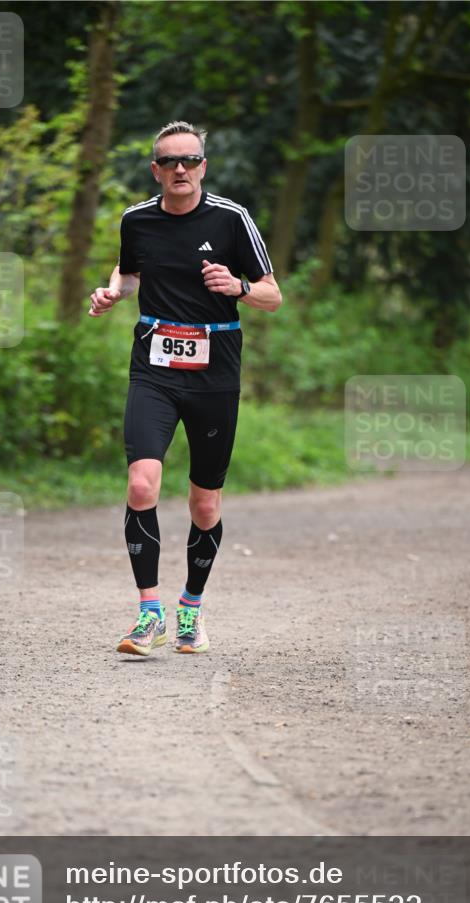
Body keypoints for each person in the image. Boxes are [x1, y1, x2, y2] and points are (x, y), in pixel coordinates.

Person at [89, 120, 281, 656]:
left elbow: (273, 295)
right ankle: (149, 612)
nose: (180, 169)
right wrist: (112, 293)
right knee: (142, 485)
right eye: (169, 162)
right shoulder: (137, 220)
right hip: (153, 367)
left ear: (203, 166)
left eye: (189, 160)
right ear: (155, 169)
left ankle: (190, 609)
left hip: (214, 372)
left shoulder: (232, 219)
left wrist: (239, 287)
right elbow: (128, 274)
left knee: (204, 502)